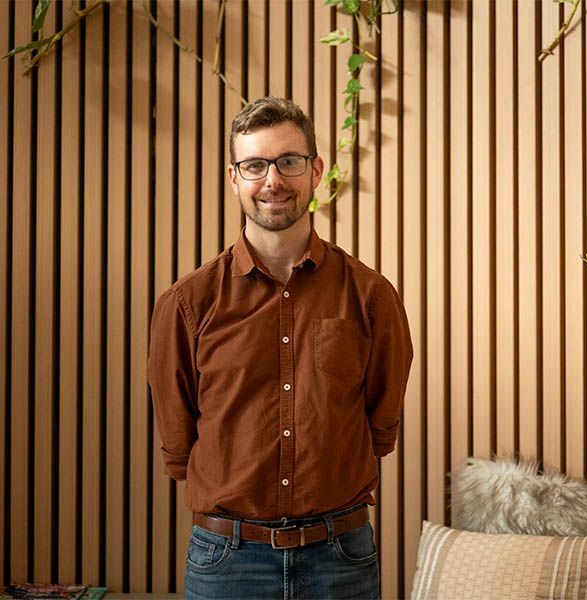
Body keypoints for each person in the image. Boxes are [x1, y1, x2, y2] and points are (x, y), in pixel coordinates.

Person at [147, 96, 413, 600]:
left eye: (288, 162)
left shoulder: (371, 296)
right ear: (234, 178)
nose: (273, 180)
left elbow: (381, 424)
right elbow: (179, 442)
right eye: (255, 165)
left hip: (341, 559)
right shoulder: (187, 303)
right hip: (227, 562)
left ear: (315, 170)